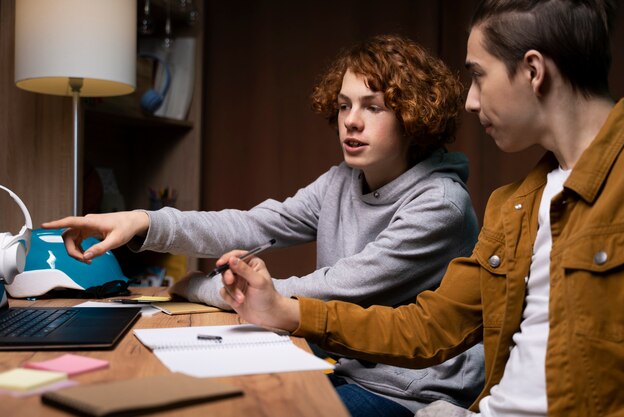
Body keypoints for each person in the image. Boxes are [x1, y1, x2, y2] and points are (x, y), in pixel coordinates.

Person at [213, 1, 624, 416]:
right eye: (345, 105)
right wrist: (287, 310)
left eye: (479, 76)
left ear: (533, 72)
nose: (471, 101)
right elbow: (430, 326)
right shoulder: (515, 204)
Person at [43, 35, 484, 416]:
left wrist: (193, 287)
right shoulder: (341, 181)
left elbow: (327, 288)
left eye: (373, 107)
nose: (351, 120)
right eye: (345, 104)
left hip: (409, 390)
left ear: (412, 116)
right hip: (340, 366)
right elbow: (253, 225)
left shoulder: (439, 204)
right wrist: (143, 220)